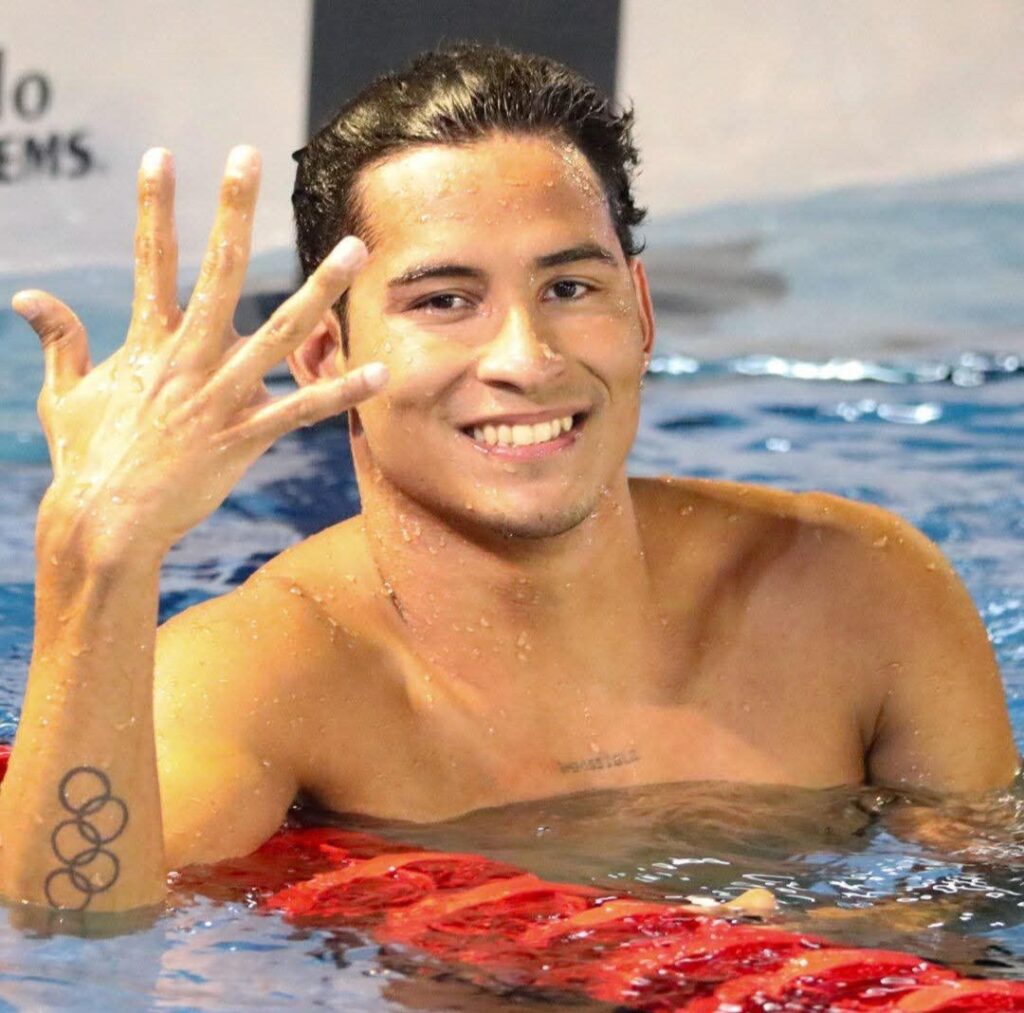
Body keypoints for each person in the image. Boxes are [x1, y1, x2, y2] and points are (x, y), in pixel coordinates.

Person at [0, 42, 1017, 915]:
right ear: (321, 354)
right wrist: (94, 556)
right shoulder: (262, 678)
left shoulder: (861, 594)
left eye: (569, 286)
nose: (527, 359)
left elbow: (982, 912)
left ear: (641, 310)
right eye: (445, 301)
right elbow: (74, 938)